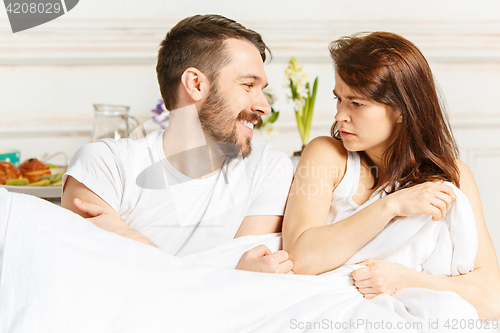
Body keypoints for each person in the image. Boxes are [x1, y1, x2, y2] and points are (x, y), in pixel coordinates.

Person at [282, 32, 500, 319]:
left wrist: (404, 280)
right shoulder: (327, 155)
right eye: (339, 99)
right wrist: (390, 206)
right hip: (328, 310)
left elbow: (491, 298)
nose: (339, 116)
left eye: (356, 103)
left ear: (401, 110)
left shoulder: (452, 175)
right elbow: (300, 258)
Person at [61, 14, 294, 274]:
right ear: (195, 84)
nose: (264, 106)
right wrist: (229, 271)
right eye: (248, 85)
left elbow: (241, 290)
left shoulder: (268, 167)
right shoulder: (104, 164)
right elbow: (92, 284)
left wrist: (127, 240)